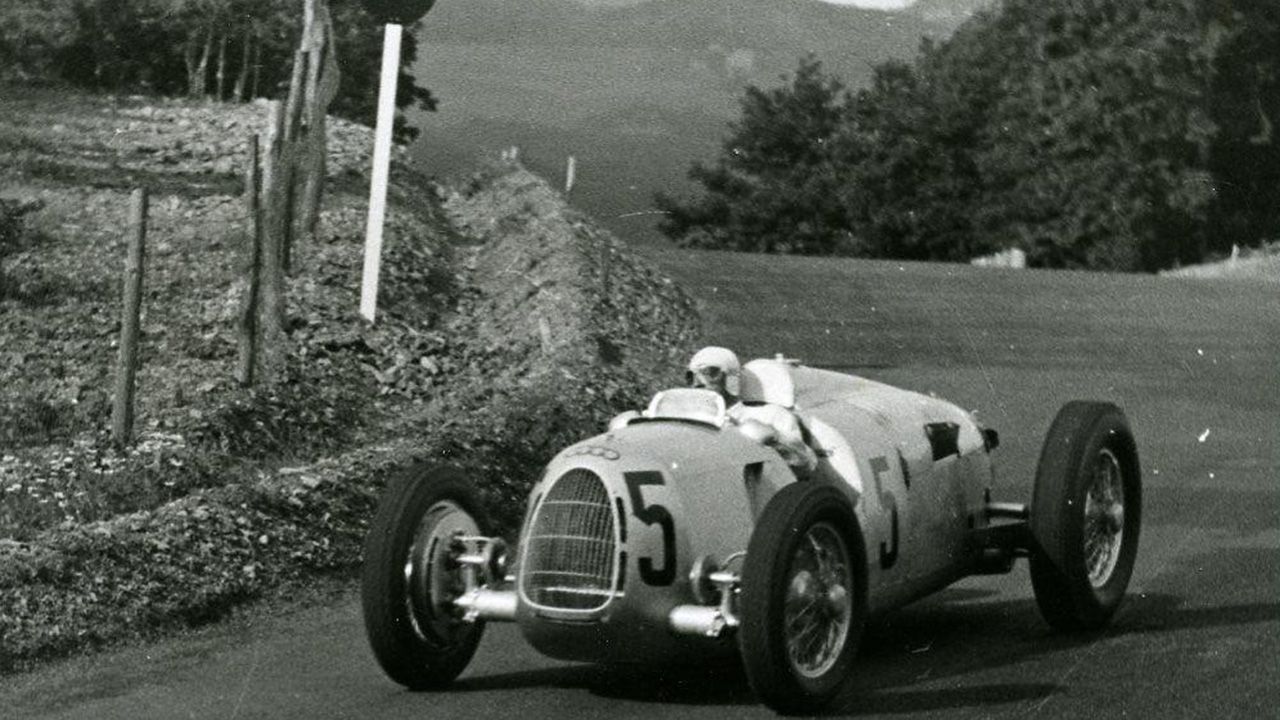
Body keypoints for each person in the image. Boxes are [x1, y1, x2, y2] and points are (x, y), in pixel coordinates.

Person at [685, 348, 816, 474]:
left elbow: (808, 464)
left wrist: (776, 440)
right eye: (691, 376)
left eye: (710, 372)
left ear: (731, 378)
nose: (698, 382)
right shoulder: (685, 420)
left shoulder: (770, 415)